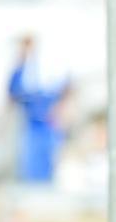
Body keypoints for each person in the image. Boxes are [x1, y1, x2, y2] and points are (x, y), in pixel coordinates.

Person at [7, 35, 71, 183]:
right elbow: (11, 95)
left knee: (51, 163)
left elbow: (66, 87)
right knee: (32, 167)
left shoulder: (49, 65)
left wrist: (60, 109)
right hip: (31, 124)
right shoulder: (20, 71)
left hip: (50, 124)